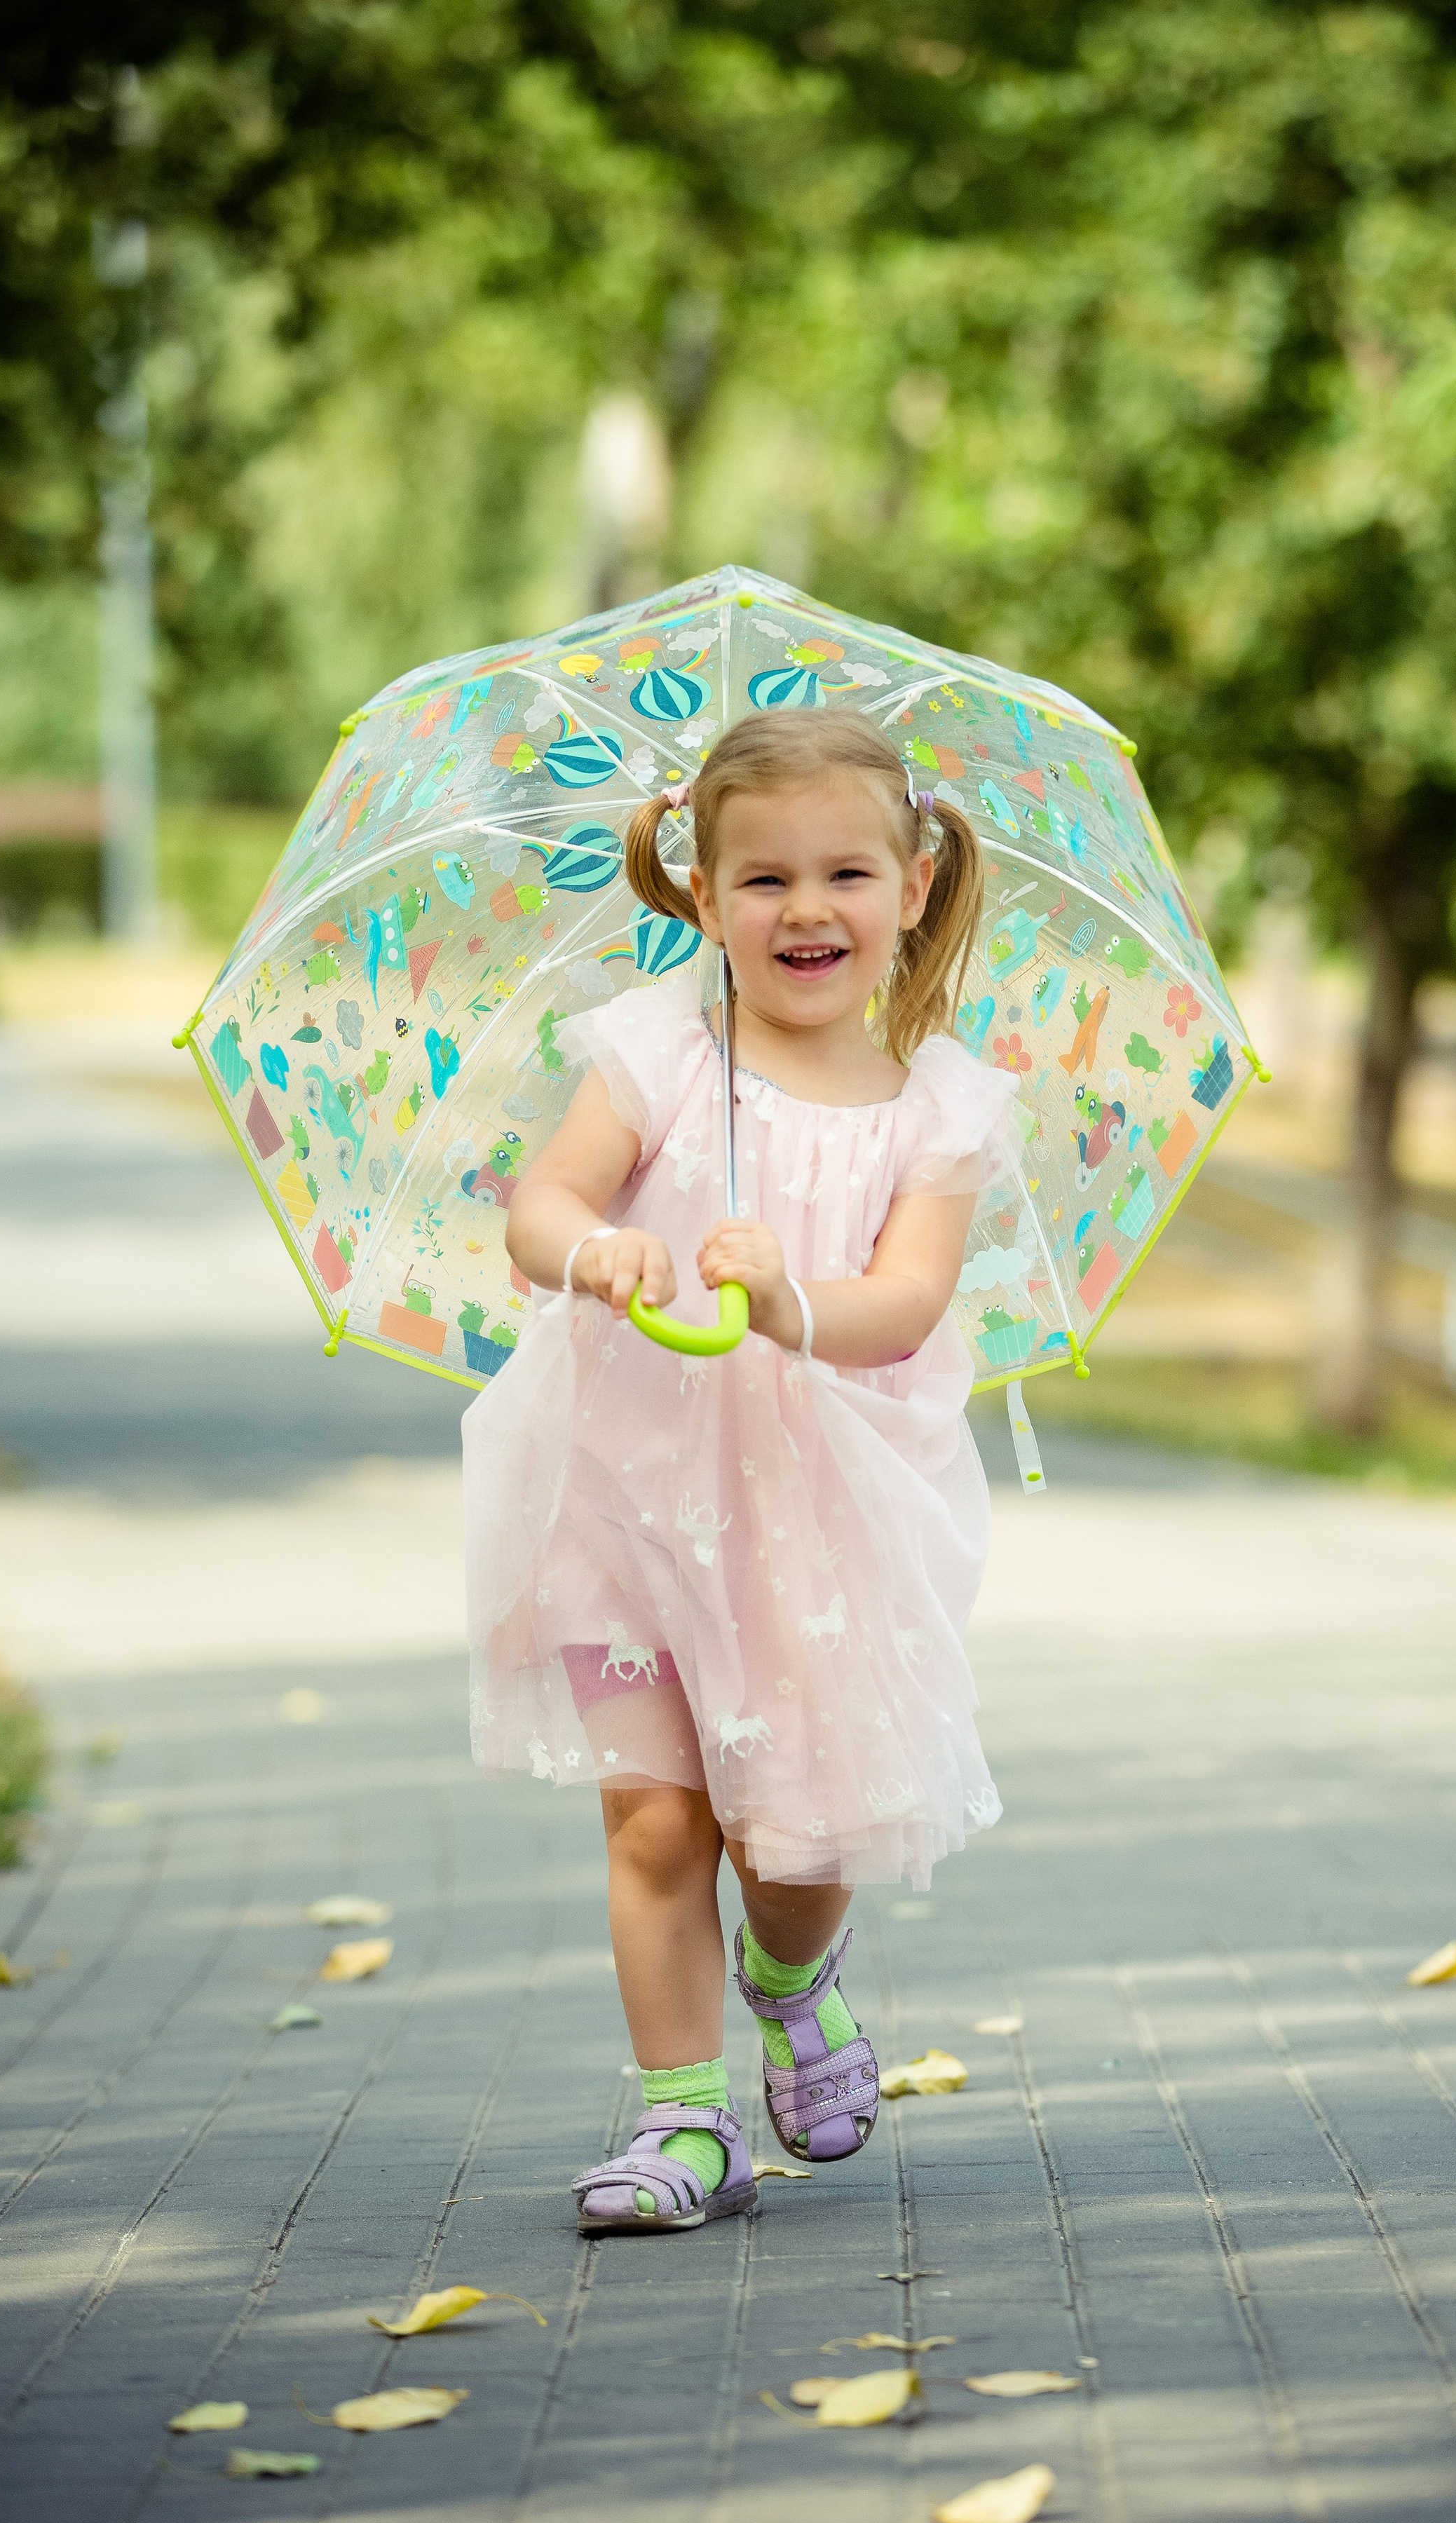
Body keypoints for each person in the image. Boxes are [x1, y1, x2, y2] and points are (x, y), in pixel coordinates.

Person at [464, 706, 1016, 2234]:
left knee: (796, 1838)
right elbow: (540, 1204)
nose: (804, 909)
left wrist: (789, 1306)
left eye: (844, 872)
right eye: (761, 880)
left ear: (911, 886)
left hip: (819, 1515)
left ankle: (791, 1972)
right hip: (627, 1495)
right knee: (655, 1818)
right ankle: (682, 2124)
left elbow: (904, 1303)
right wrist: (595, 1247)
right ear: (702, 897)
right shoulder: (653, 1055)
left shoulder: (936, 1107)